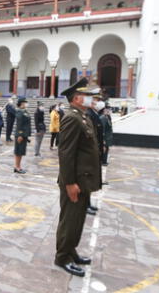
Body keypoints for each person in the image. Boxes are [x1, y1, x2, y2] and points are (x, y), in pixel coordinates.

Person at [54, 77, 100, 277]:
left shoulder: (83, 116)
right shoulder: (71, 118)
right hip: (74, 182)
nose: (92, 99)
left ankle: (71, 251)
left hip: (83, 180)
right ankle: (62, 257)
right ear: (77, 98)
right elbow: (66, 154)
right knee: (70, 220)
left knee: (78, 220)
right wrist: (70, 183)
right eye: (88, 96)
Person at [84, 90, 105, 216]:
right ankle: (85, 204)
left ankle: (88, 203)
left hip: (95, 150)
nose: (96, 102)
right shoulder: (89, 114)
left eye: (96, 100)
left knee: (90, 180)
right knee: (87, 180)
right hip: (91, 151)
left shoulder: (93, 113)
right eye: (95, 100)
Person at [13, 97, 31, 174]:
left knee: (21, 152)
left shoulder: (25, 111)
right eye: (25, 102)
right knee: (18, 152)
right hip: (20, 135)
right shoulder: (20, 112)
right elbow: (19, 124)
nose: (26, 103)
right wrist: (20, 135)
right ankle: (17, 167)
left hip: (24, 135)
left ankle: (18, 166)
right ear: (21, 103)